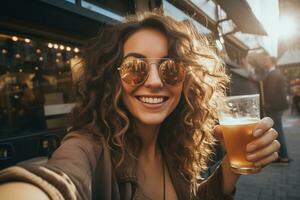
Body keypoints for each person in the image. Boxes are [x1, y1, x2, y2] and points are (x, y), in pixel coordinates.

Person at [0, 11, 280, 200]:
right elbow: (56, 180)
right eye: (135, 67)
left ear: (186, 81)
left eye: (171, 69)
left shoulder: (174, 143)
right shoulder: (89, 148)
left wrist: (230, 168)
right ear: (113, 78)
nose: (155, 82)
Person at [249, 50, 290, 164]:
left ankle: (283, 156)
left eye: (265, 60)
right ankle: (283, 156)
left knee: (277, 130)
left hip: (275, 107)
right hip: (278, 106)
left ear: (270, 61)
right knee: (278, 130)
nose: (264, 62)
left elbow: (270, 92)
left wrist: (266, 104)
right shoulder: (275, 72)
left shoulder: (273, 73)